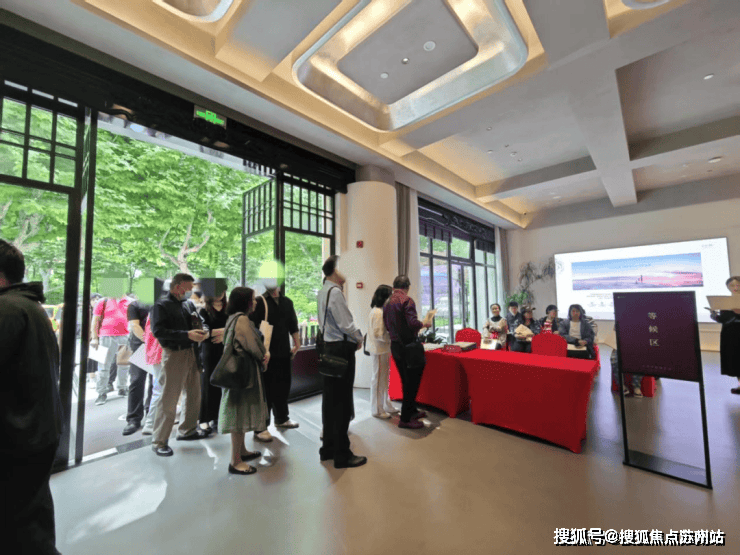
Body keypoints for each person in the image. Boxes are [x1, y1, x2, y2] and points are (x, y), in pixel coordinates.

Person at [0, 239, 63, 555]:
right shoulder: (30, 307)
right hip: (38, 430)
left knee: (17, 529)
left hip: (16, 437)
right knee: (30, 519)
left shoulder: (7, 310)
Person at [150, 273, 211, 457]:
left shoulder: (188, 304)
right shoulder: (160, 305)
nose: (191, 291)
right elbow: (159, 331)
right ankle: (159, 441)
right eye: (188, 287)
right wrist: (186, 335)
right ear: (177, 286)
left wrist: (203, 330)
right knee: (169, 398)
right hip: (174, 354)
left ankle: (187, 430)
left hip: (192, 352)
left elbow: (198, 322)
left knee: (193, 394)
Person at [317, 255, 367, 468]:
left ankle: (328, 449)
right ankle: (342, 454)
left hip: (329, 348)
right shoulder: (336, 292)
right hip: (341, 350)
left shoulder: (323, 290)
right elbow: (346, 324)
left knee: (330, 401)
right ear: (336, 270)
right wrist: (359, 338)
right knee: (342, 402)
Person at [219, 287, 270, 475]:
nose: (255, 302)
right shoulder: (242, 320)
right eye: (253, 299)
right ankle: (235, 461)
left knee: (239, 413)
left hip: (239, 374)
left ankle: (241, 451)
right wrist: (265, 355)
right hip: (242, 375)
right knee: (239, 416)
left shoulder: (232, 318)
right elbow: (254, 346)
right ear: (245, 301)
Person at [249, 280, 301, 440]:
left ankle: (282, 418)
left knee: (283, 387)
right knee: (266, 391)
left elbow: (293, 324)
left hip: (284, 352)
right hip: (265, 354)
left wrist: (297, 343)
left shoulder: (287, 302)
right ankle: (260, 427)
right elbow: (252, 327)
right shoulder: (259, 302)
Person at [384, 275, 432, 430]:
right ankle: (405, 419)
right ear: (407, 287)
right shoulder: (407, 300)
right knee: (412, 383)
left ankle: (411, 411)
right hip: (409, 346)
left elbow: (387, 325)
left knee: (406, 380)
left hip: (396, 346)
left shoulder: (387, 302)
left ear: (394, 286)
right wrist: (424, 324)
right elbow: (412, 323)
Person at [90, 286, 131, 405]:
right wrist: (94, 338)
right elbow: (95, 320)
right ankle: (101, 392)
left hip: (125, 336)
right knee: (103, 367)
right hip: (105, 337)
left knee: (124, 365)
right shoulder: (102, 301)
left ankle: (122, 388)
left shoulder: (130, 302)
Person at [199, 283, 228, 433]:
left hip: (226, 350)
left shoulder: (230, 309)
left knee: (224, 385)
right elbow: (204, 333)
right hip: (209, 351)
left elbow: (238, 327)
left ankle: (218, 417)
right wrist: (227, 331)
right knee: (207, 385)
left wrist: (224, 333)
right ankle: (204, 418)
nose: (219, 294)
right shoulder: (204, 311)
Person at [366, 284, 398, 418]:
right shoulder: (378, 312)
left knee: (384, 379)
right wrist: (393, 337)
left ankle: (385, 404)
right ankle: (377, 410)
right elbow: (379, 334)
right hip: (379, 349)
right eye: (390, 296)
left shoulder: (378, 310)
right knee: (379, 380)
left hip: (382, 349)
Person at [709, 276, 740, 394]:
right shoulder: (724, 301)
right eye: (731, 285)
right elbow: (722, 319)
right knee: (735, 361)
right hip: (730, 335)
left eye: (737, 284)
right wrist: (714, 315)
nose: (734, 287)